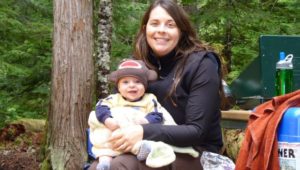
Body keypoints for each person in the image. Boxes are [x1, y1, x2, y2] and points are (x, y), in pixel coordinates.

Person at [101, 0, 226, 169]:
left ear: (181, 31)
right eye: (155, 23)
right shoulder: (139, 66)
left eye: (170, 24)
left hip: (197, 152)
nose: (161, 30)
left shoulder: (202, 64)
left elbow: (197, 131)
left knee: (122, 165)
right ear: (145, 29)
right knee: (99, 165)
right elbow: (115, 104)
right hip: (145, 147)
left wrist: (142, 131)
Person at [88, 59, 199, 170]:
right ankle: (105, 160)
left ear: (145, 85)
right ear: (119, 87)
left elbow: (157, 115)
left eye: (137, 82)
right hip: (115, 131)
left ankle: (147, 151)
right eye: (125, 82)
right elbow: (100, 109)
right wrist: (108, 120)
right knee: (103, 137)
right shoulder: (113, 99)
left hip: (136, 134)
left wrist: (143, 122)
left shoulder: (149, 99)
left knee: (144, 142)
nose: (132, 85)